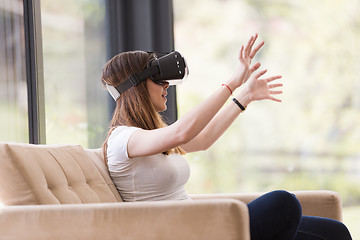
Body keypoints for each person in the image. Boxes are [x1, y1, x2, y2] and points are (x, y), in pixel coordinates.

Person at [101, 34, 352, 240]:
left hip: (204, 225)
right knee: (283, 203)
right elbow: (182, 131)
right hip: (188, 234)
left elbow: (203, 139)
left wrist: (245, 96)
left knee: (334, 232)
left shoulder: (152, 137)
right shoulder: (122, 139)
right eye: (158, 79)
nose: (167, 85)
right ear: (135, 86)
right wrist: (232, 82)